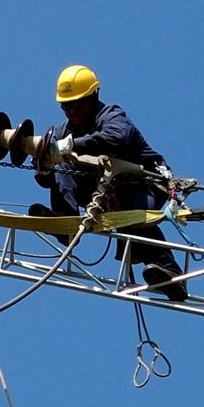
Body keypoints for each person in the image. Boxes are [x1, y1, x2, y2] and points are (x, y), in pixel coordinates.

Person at [32, 64, 188, 301]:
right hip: (102, 191)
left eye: (78, 104)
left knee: (133, 213)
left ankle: (169, 276)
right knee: (62, 166)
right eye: (66, 106)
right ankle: (64, 223)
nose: (72, 111)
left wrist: (71, 145)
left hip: (144, 185)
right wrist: (44, 166)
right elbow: (49, 180)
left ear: (93, 97)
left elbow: (116, 138)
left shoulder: (111, 115)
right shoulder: (59, 132)